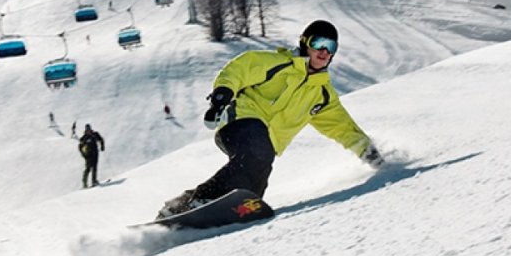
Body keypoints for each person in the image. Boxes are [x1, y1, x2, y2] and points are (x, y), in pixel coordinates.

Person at [156, 20, 383, 218]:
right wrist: (221, 96)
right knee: (257, 152)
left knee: (249, 194)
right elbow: (239, 70)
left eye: (330, 47)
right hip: (241, 122)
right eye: (318, 43)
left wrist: (372, 155)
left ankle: (179, 207)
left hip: (265, 149)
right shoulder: (277, 64)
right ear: (305, 43)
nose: (324, 51)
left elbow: (343, 128)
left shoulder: (322, 95)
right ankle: (203, 200)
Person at [78, 124, 106, 188]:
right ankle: (84, 183)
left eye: (89, 129)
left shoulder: (95, 134)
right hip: (88, 155)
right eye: (87, 129)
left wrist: (102, 146)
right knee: (88, 168)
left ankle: (94, 181)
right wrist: (84, 155)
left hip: (95, 153)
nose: (88, 130)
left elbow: (101, 139)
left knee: (95, 167)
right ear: (85, 130)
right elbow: (80, 148)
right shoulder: (83, 138)